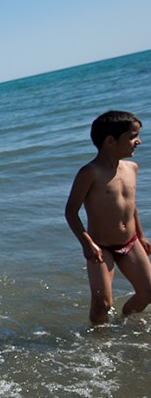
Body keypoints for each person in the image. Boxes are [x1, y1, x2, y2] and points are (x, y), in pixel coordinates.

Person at [65, 110, 151, 325]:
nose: (138, 141)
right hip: (101, 247)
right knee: (102, 303)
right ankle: (99, 341)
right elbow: (71, 211)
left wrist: (141, 236)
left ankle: (124, 322)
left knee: (147, 294)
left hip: (130, 243)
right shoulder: (90, 172)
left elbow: (130, 206)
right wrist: (87, 243)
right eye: (132, 137)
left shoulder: (132, 168)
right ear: (111, 141)